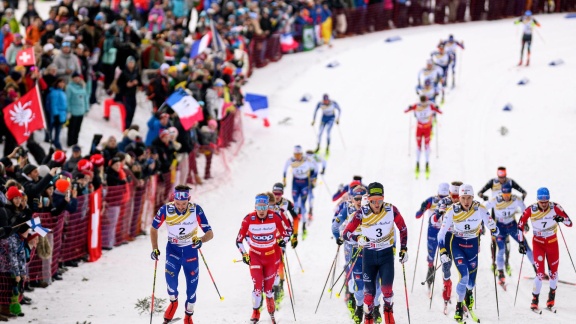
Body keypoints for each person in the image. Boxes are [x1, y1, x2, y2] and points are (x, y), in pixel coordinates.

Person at [343, 182, 408, 324]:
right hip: (369, 256)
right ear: (369, 199)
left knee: (387, 290)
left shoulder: (391, 210)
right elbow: (346, 233)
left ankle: (388, 312)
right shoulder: (362, 213)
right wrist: (358, 238)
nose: (377, 204)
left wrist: (403, 249)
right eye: (373, 201)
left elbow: (402, 228)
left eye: (380, 200)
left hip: (386, 255)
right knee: (368, 295)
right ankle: (368, 318)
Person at [150, 185, 214, 324]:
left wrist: (201, 240)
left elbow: (210, 233)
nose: (180, 206)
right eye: (177, 203)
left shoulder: (196, 209)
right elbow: (153, 229)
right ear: (174, 199)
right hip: (173, 251)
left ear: (188, 200)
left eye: (183, 204)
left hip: (191, 252)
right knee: (171, 284)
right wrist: (155, 248)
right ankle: (174, 303)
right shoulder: (166, 209)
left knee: (192, 291)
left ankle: (188, 316)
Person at [437, 184, 498, 323]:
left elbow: (491, 223)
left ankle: (468, 294)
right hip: (457, 245)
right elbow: (441, 233)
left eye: (468, 198)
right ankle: (459, 306)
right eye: (463, 198)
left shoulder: (479, 208)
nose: (466, 201)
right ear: (459, 198)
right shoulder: (452, 210)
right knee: (463, 276)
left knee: (471, 282)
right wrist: (442, 250)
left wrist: (494, 230)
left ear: (473, 197)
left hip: (473, 246)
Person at [333, 185, 384, 323]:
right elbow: (335, 225)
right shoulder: (348, 209)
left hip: (372, 250)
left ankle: (375, 308)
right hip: (352, 247)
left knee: (376, 281)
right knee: (354, 277)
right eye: (356, 198)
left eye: (362, 198)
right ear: (352, 198)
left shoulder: (373, 211)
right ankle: (353, 300)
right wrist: (338, 236)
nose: (358, 201)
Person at [235, 193, 289, 324]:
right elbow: (238, 240)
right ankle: (255, 312)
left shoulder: (274, 216)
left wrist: (282, 241)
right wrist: (244, 254)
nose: (261, 210)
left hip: (271, 257)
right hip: (255, 256)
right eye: (259, 207)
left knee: (269, 290)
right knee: (258, 287)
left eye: (264, 207)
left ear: (267, 207)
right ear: (255, 207)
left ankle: (271, 311)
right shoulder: (248, 219)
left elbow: (286, 233)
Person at [517, 187, 572, 312]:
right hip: (538, 244)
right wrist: (521, 242)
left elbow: (570, 223)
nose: (544, 204)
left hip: (552, 243)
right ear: (537, 200)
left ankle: (551, 296)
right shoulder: (531, 209)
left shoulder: (555, 207)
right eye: (541, 202)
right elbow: (520, 226)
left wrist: (562, 219)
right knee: (540, 273)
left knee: (553, 273)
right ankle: (535, 299)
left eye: (546, 201)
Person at [478, 166, 527, 274]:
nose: (502, 180)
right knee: (494, 240)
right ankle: (494, 263)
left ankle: (507, 263)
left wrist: (521, 201)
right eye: (500, 177)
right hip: (495, 214)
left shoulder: (510, 182)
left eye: (503, 177)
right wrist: (485, 197)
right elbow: (480, 192)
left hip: (508, 212)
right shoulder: (492, 182)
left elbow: (523, 191)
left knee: (507, 240)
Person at [485, 182, 535, 288]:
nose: (506, 196)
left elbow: (525, 211)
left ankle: (537, 269)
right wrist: (488, 222)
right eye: (504, 194)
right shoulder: (496, 200)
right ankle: (501, 273)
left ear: (510, 192)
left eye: (508, 193)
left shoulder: (516, 199)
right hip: (500, 227)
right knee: (501, 250)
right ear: (501, 193)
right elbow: (483, 209)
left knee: (525, 246)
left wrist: (525, 223)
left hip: (512, 226)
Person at [415, 183, 449, 293]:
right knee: (431, 255)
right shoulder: (432, 200)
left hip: (445, 231)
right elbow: (417, 215)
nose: (442, 200)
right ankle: (430, 276)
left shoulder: (451, 202)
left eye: (445, 197)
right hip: (433, 230)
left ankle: (447, 284)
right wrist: (423, 208)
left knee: (445, 257)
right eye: (441, 197)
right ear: (438, 193)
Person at [433, 181, 461, 313]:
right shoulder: (444, 201)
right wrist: (439, 212)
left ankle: (463, 298)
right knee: (446, 266)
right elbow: (434, 218)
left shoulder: (466, 201)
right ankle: (447, 288)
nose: (455, 198)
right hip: (447, 236)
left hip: (461, 236)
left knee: (463, 267)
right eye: (453, 195)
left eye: (457, 195)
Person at [282, 145, 318, 239]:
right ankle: (296, 225)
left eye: (299, 154)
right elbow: (285, 169)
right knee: (295, 205)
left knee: (302, 205)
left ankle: (304, 227)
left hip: (305, 183)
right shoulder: (291, 160)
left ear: (302, 153)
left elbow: (316, 167)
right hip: (295, 183)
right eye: (296, 154)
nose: (297, 156)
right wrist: (284, 179)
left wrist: (314, 179)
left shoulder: (307, 160)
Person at [404, 95, 442, 178]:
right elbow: (405, 111)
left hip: (427, 129)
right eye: (422, 102)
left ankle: (427, 163)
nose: (423, 104)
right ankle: (417, 163)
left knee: (427, 146)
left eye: (425, 102)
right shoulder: (417, 106)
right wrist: (409, 107)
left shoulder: (430, 106)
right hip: (419, 129)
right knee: (418, 146)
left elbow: (440, 112)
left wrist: (437, 107)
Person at [66, 72, 89, 147]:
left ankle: (75, 142)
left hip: (81, 111)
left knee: (78, 128)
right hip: (73, 111)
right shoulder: (69, 87)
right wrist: (69, 111)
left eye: (77, 77)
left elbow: (85, 98)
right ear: (72, 79)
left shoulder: (82, 86)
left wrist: (86, 109)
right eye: (75, 77)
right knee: (72, 128)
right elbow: (68, 99)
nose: (76, 79)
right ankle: (70, 142)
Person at [305, 149, 326, 221]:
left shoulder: (314, 157)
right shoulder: (313, 156)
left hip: (311, 176)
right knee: (308, 192)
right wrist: (323, 169)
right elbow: (324, 161)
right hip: (309, 176)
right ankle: (308, 211)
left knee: (309, 192)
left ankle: (309, 211)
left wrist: (323, 169)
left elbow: (324, 161)